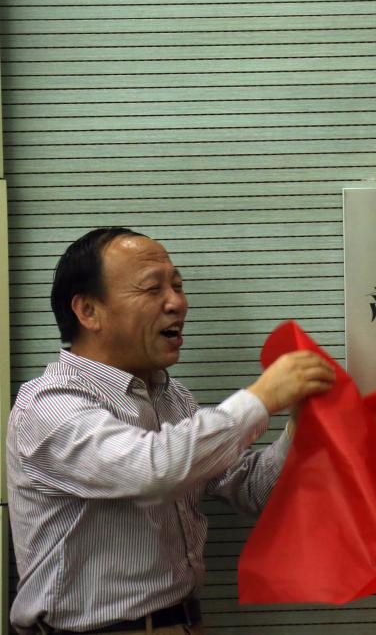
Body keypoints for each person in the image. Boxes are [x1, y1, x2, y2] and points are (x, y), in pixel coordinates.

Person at [7, 227, 336, 634]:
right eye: (152, 288)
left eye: (177, 286)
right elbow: (152, 471)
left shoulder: (172, 397)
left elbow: (253, 490)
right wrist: (261, 398)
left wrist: (299, 426)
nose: (177, 303)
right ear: (89, 311)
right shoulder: (49, 403)